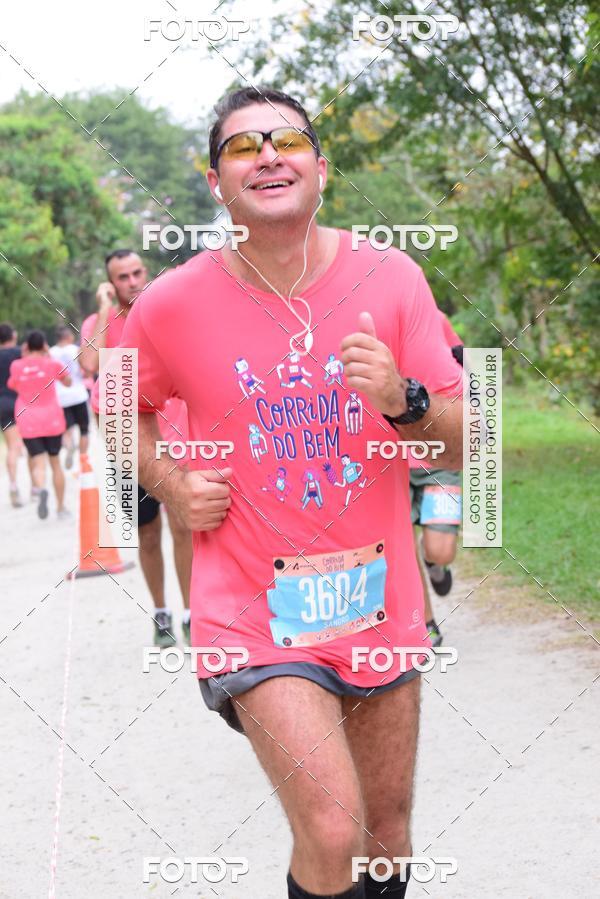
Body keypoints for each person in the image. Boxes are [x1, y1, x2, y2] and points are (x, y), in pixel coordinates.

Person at [117, 86, 463, 899]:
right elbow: (119, 409)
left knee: (387, 833)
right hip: (252, 613)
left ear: (322, 168)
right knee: (334, 826)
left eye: (288, 140)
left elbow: (466, 439)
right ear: (216, 181)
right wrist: (170, 479)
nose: (268, 154)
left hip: (380, 604)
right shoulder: (169, 303)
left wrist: (405, 400)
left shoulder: (393, 277)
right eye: (243, 146)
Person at [80, 250, 193, 646]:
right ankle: (161, 614)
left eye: (137, 272)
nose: (132, 281)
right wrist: (104, 308)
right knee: (147, 535)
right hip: (129, 448)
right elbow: (92, 364)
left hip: (178, 441)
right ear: (111, 284)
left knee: (184, 528)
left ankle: (191, 614)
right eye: (122, 277)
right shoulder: (102, 323)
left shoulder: (163, 312)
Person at [409, 311, 464, 646]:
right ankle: (425, 622)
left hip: (438, 456)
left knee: (441, 549)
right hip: (383, 462)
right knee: (399, 546)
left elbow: (465, 367)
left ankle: (434, 564)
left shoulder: (430, 317)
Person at [8, 330, 72, 519]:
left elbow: (13, 385)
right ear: (44, 345)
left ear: (26, 346)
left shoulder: (17, 365)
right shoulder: (52, 363)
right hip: (52, 419)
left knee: (38, 462)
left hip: (28, 420)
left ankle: (41, 488)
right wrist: (49, 355)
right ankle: (60, 508)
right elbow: (68, 382)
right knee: (55, 463)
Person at [50, 325, 91, 467]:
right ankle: (83, 459)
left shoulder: (51, 353)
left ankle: (69, 446)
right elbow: (86, 370)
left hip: (61, 397)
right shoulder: (76, 350)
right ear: (68, 337)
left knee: (67, 429)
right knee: (84, 430)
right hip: (78, 394)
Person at [0, 322, 25, 507]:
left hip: (2, 405)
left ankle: (14, 484)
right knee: (22, 446)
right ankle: (34, 487)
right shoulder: (19, 353)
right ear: (13, 336)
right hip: (19, 403)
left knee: (11, 446)